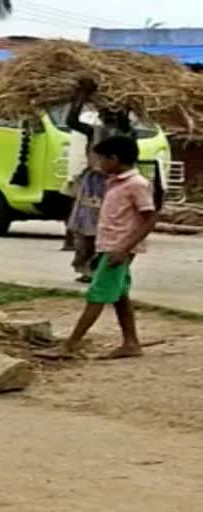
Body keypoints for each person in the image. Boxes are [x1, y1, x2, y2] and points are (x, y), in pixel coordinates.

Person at [38, 136, 159, 360]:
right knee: (120, 296)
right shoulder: (115, 181)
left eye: (102, 159)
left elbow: (150, 218)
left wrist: (124, 248)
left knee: (97, 294)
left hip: (118, 249)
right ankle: (131, 343)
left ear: (114, 158)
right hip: (110, 246)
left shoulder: (137, 185)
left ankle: (70, 345)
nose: (99, 164)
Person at [64, 78, 135, 278]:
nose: (107, 116)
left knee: (108, 224)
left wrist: (125, 100)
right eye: (105, 113)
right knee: (85, 225)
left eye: (112, 113)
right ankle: (87, 267)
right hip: (93, 184)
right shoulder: (94, 131)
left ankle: (100, 267)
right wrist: (81, 96)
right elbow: (71, 121)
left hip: (113, 184)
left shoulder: (126, 134)